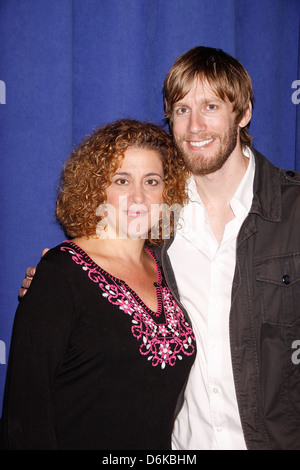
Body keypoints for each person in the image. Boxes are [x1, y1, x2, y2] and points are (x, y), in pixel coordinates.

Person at [18, 46, 300, 450]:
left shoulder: (294, 211)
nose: (195, 125)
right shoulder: (156, 214)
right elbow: (94, 270)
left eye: (211, 106)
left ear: (244, 113)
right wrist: (52, 282)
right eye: (182, 109)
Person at [1, 119, 196, 450]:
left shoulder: (166, 267)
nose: (139, 196)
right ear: (95, 189)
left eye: (152, 181)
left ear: (168, 191)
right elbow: (24, 419)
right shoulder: (60, 274)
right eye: (122, 180)